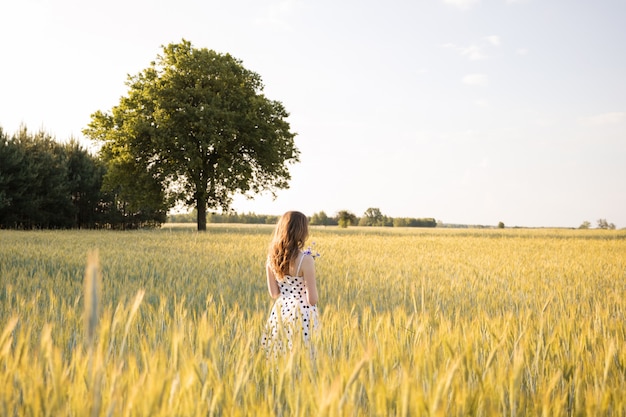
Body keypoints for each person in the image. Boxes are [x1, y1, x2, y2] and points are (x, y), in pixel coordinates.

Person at [261, 211, 319, 357]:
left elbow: (274, 294)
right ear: (302, 232)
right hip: (303, 314)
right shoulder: (306, 260)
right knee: (304, 358)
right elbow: (312, 300)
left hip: (280, 312)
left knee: (279, 355)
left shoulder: (271, 258)